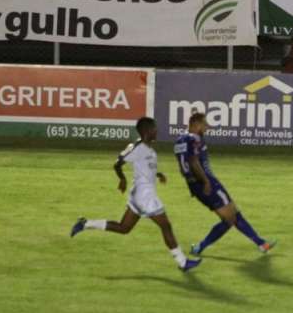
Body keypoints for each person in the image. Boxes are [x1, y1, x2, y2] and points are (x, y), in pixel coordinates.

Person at [70, 117, 201, 273]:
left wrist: (157, 174)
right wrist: (122, 179)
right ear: (147, 131)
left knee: (124, 228)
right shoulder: (137, 147)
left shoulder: (150, 149)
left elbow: (144, 167)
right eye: (154, 128)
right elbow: (118, 163)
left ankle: (85, 224)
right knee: (166, 226)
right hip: (145, 196)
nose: (157, 131)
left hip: (139, 195)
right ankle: (182, 262)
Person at [176, 113, 276, 256]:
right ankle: (200, 247)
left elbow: (183, 167)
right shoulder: (193, 139)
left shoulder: (180, 140)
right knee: (230, 218)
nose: (207, 127)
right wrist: (205, 181)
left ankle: (261, 243)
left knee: (233, 213)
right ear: (196, 124)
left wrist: (192, 182)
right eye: (204, 124)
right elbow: (193, 162)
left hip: (196, 184)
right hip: (206, 182)